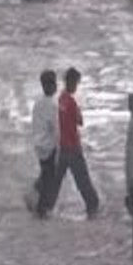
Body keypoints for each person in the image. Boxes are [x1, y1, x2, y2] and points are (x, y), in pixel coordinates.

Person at [46, 67, 100, 219]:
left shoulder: (61, 99)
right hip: (73, 147)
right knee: (82, 179)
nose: (76, 86)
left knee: (56, 180)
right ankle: (92, 206)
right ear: (72, 82)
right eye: (76, 83)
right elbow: (80, 121)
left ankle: (46, 205)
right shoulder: (70, 102)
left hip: (62, 146)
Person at [25, 70, 59, 218]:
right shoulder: (52, 105)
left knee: (45, 173)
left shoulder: (38, 104)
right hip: (49, 146)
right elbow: (56, 127)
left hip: (39, 145)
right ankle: (41, 209)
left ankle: (33, 193)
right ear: (51, 86)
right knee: (49, 177)